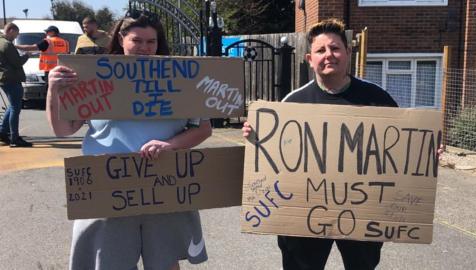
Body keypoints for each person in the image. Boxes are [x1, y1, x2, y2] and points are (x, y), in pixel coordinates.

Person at [243, 18, 443, 270]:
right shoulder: (292, 105)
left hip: (363, 214)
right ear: (309, 59)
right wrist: (255, 137)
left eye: (336, 48)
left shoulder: (378, 99)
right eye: (321, 50)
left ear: (348, 52)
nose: (329, 55)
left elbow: (402, 152)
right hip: (305, 214)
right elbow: (273, 158)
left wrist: (424, 154)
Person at [46, 13, 211, 270]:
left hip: (164, 184)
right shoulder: (94, 76)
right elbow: (63, 129)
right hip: (107, 188)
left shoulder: (180, 79)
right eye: (137, 40)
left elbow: (203, 129)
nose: (145, 48)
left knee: (165, 263)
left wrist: (171, 145)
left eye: (151, 41)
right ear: (122, 39)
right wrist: (53, 90)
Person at [0, 23, 33, 147]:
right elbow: (17, 62)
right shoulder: (7, 45)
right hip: (12, 79)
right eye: (16, 33)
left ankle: (3, 133)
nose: (16, 36)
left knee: (11, 106)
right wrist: (27, 55)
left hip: (4, 79)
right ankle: (14, 138)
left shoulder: (1, 42)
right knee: (15, 108)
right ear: (10, 30)